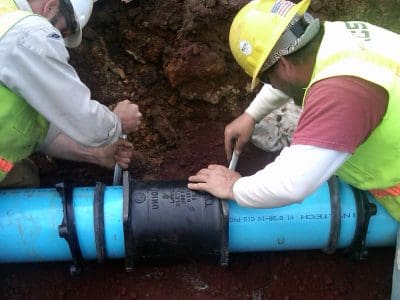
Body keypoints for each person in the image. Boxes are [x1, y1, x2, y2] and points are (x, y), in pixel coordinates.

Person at [187, 0, 400, 298]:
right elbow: (290, 76)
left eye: (266, 76)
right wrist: (251, 115)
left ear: (284, 64)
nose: (270, 83)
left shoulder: (342, 93)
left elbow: (292, 184)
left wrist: (235, 187)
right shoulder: (335, 38)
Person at [0, 0, 142, 187]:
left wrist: (97, 154)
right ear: (50, 6)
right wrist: (116, 123)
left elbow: (36, 128)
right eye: (63, 31)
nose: (59, 37)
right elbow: (77, 115)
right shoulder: (29, 33)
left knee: (25, 178)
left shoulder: (6, 16)